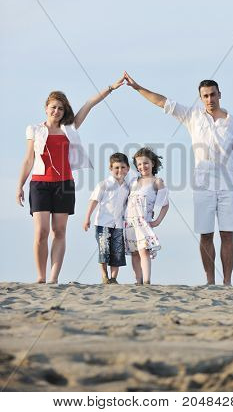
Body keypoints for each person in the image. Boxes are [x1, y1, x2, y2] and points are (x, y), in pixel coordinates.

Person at [124, 72, 233, 286]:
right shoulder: (193, 116)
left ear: (219, 94)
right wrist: (138, 88)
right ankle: (210, 281)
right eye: (205, 96)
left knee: (227, 233)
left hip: (228, 184)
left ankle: (227, 281)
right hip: (202, 185)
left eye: (213, 95)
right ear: (200, 98)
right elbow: (162, 102)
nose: (210, 99)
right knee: (205, 233)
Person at [16, 76, 125, 284]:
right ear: (46, 108)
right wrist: (19, 185)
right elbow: (28, 158)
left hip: (64, 185)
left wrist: (111, 87)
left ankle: (53, 277)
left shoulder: (70, 128)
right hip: (39, 184)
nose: (56, 111)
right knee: (41, 232)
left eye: (60, 109)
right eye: (53, 107)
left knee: (59, 231)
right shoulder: (34, 129)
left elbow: (89, 104)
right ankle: (41, 276)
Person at [83, 153, 130, 284]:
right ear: (110, 169)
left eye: (122, 167)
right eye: (116, 167)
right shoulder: (104, 185)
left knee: (117, 251)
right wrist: (87, 218)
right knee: (104, 249)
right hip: (103, 223)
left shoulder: (127, 188)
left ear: (128, 169)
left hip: (119, 224)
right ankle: (104, 276)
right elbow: (93, 201)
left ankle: (114, 278)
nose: (119, 170)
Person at [124, 147, 169, 285]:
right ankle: (138, 280)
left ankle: (147, 281)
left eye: (145, 163)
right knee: (135, 252)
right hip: (130, 222)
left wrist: (157, 221)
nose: (142, 166)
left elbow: (165, 204)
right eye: (139, 164)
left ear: (153, 163)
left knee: (144, 251)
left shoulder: (157, 182)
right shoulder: (133, 182)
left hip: (143, 222)